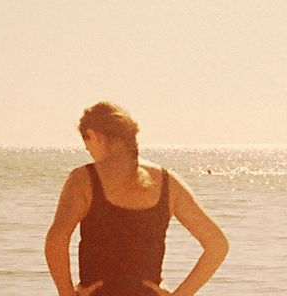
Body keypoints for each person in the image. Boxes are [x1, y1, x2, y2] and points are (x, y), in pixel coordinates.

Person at [45, 102, 228, 296]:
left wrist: (66, 293)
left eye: (87, 146)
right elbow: (217, 244)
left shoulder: (83, 179)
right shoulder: (167, 182)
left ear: (95, 135)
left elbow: (56, 239)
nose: (90, 152)